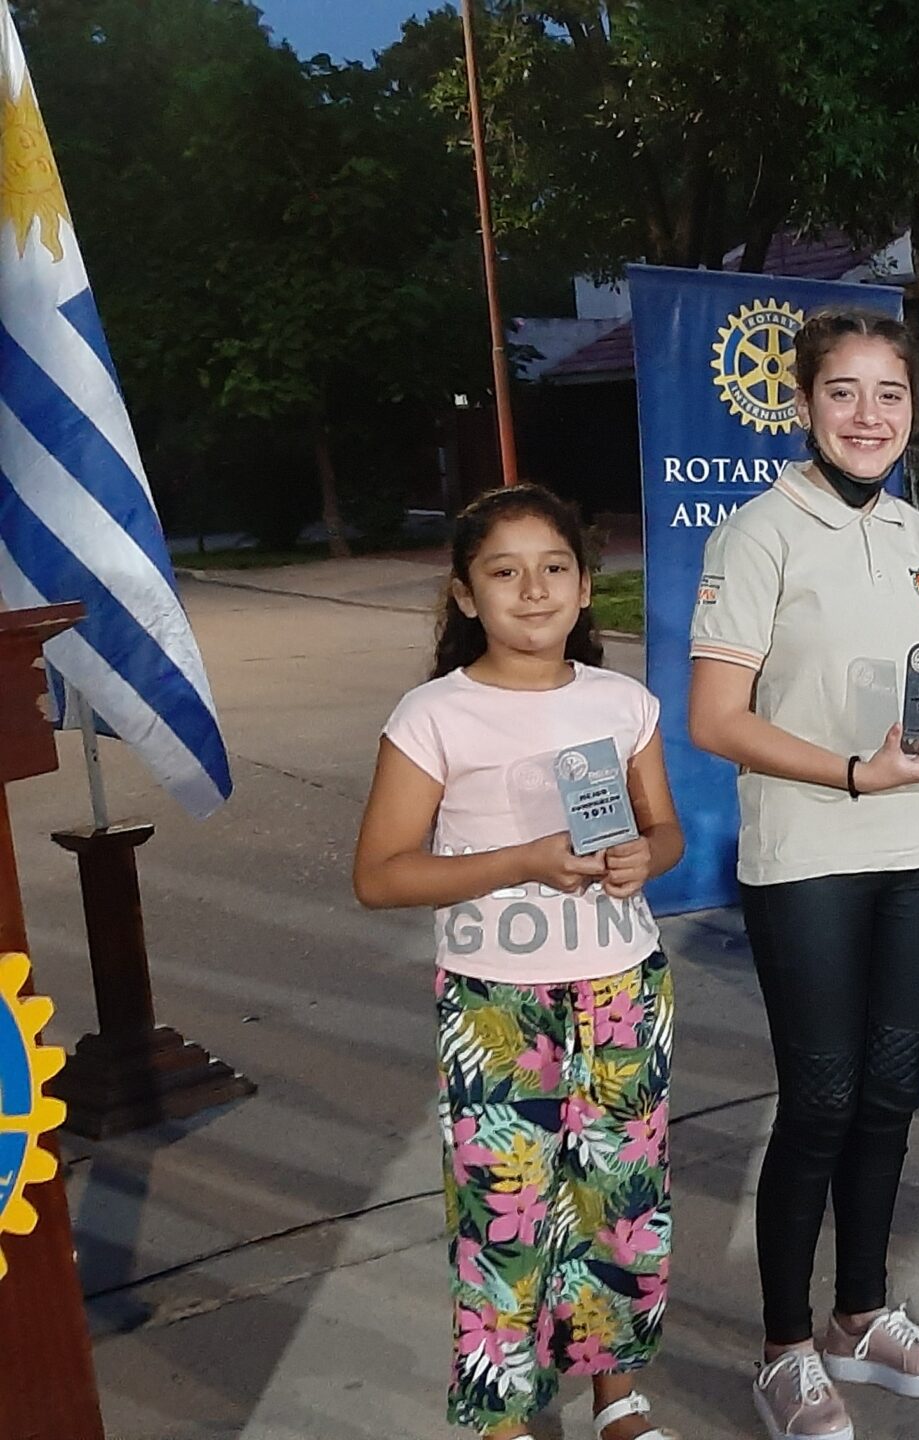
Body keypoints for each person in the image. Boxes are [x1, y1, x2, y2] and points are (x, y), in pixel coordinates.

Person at [687, 309, 919, 1440]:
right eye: (844, 392)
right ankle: (785, 1346)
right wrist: (856, 775)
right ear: (805, 404)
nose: (869, 416)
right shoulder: (758, 533)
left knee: (892, 1093)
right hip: (808, 855)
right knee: (819, 1102)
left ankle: (861, 1313)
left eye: (889, 394)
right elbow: (717, 718)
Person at [353, 486, 684, 1440]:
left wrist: (645, 857)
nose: (533, 590)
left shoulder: (621, 702)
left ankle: (617, 1396)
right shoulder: (435, 716)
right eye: (505, 572)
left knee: (620, 1199)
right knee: (506, 1210)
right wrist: (524, 862)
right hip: (496, 1005)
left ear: (584, 588)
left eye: (554, 569)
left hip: (622, 989)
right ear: (466, 595)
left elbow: (663, 830)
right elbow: (380, 874)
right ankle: (504, 1413)